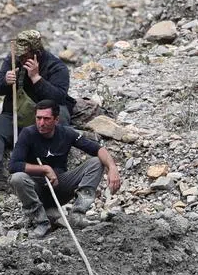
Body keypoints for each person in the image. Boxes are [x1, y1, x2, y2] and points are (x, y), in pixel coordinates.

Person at [0, 29, 74, 192]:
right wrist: (5, 81)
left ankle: (56, 173)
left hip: (44, 119)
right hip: (16, 115)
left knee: (60, 121)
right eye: (19, 55)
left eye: (25, 55)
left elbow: (59, 97)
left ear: (37, 53)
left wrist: (36, 78)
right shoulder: (12, 60)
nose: (21, 59)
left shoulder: (56, 67)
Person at [9, 99, 121, 239]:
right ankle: (41, 222)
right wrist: (44, 169)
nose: (41, 123)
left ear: (56, 120)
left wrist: (112, 167)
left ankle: (77, 215)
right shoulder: (28, 134)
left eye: (46, 119)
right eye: (38, 118)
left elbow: (97, 149)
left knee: (96, 162)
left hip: (60, 186)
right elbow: (13, 165)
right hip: (36, 190)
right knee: (17, 178)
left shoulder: (66, 133)